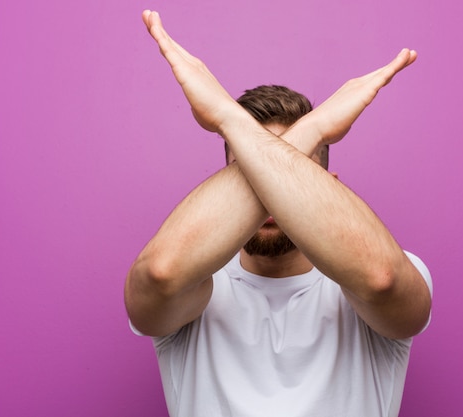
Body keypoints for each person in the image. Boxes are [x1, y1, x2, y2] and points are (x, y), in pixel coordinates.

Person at [125, 9, 433, 417]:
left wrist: (230, 121)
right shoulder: (195, 283)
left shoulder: (396, 270)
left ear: (329, 185)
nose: (271, 199)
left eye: (284, 186)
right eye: (252, 181)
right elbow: (160, 275)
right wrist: (310, 133)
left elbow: (382, 281)